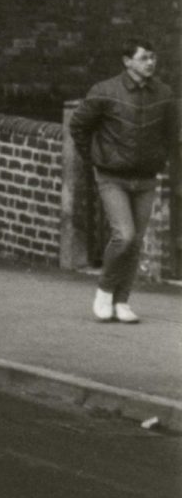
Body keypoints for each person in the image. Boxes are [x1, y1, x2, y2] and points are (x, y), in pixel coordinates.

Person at [67, 37, 175, 324]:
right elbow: (78, 125)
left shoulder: (163, 94)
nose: (150, 63)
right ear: (127, 61)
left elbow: (170, 133)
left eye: (153, 57)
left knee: (136, 241)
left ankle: (122, 301)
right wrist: (95, 158)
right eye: (144, 58)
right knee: (123, 236)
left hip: (146, 178)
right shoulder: (105, 91)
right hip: (112, 177)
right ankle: (104, 292)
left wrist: (160, 158)